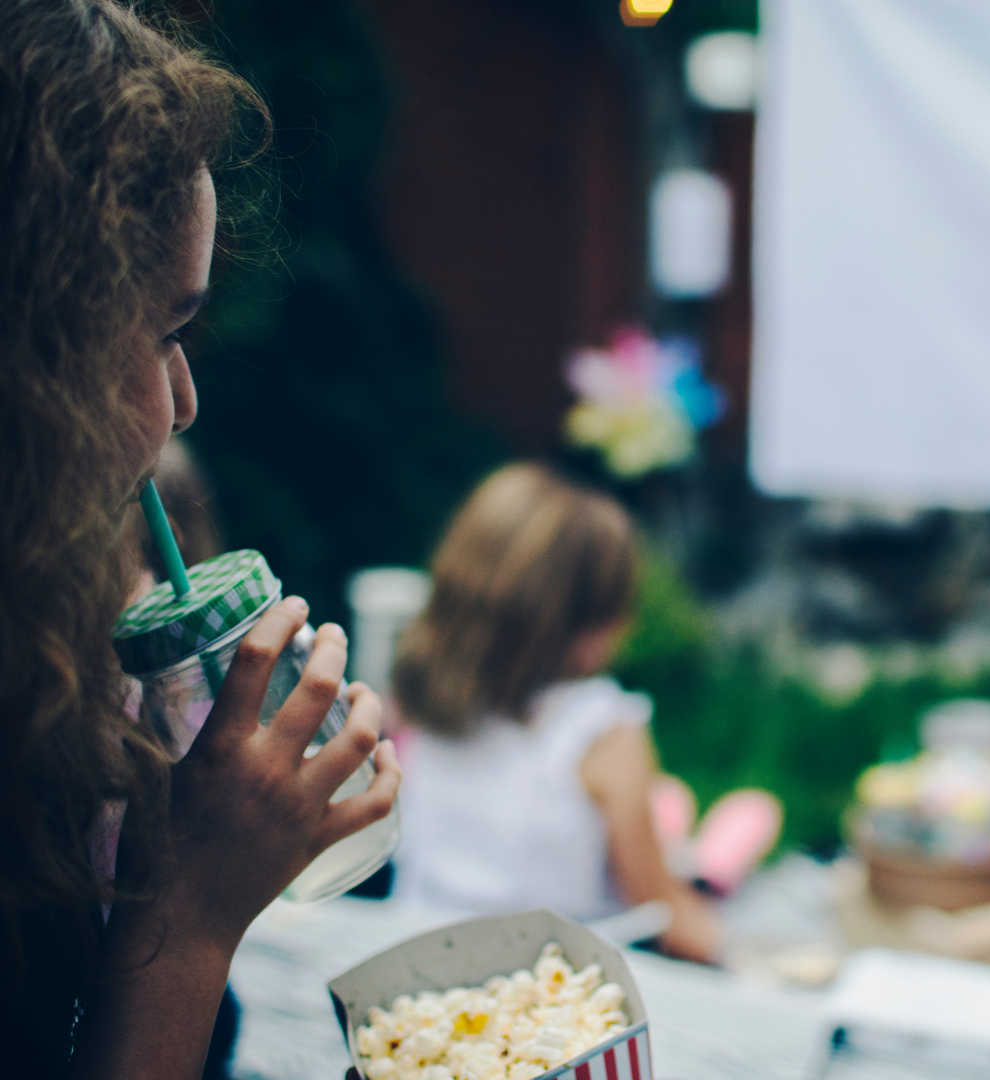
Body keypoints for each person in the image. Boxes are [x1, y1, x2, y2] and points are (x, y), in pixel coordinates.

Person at [0, 3, 400, 1077]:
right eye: (162, 332)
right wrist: (187, 908)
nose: (184, 402)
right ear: (35, 347)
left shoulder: (38, 654)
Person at [391, 463, 721, 964]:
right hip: (536, 997)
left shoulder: (420, 698)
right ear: (588, 623)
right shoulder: (601, 732)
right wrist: (728, 945)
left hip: (412, 960)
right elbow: (662, 915)